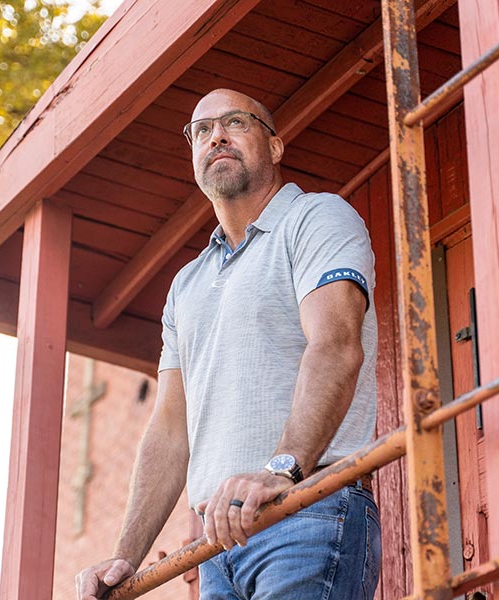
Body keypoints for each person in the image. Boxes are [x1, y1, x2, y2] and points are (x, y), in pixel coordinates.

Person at [77, 88, 380, 600]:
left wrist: (282, 469)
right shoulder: (186, 284)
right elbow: (171, 428)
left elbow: (335, 344)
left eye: (235, 122)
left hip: (304, 511)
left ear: (275, 147)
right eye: (201, 130)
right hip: (216, 547)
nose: (215, 135)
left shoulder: (315, 218)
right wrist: (125, 556)